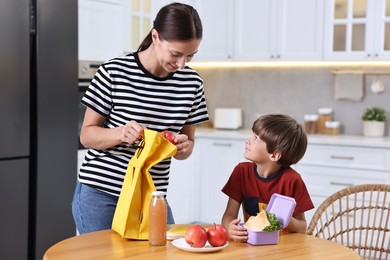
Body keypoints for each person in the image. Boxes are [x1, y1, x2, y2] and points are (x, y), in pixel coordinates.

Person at [72, 2, 209, 234]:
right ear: (155, 36)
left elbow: (188, 145)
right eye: (176, 54)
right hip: (102, 195)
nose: (182, 64)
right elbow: (87, 135)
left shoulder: (192, 84)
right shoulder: (114, 72)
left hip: (152, 196)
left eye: (190, 56)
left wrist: (184, 147)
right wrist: (120, 133)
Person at [221, 114, 314, 242]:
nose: (247, 140)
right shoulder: (241, 172)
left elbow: (302, 227)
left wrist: (285, 220)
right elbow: (229, 215)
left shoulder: (293, 180)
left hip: (284, 249)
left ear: (274, 155)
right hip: (252, 246)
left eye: (256, 138)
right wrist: (229, 228)